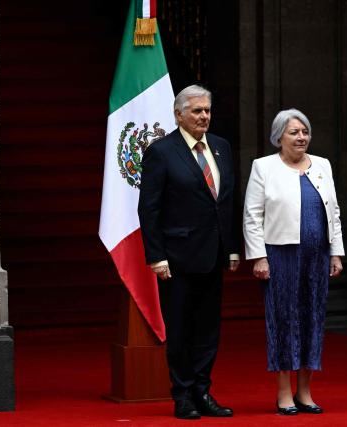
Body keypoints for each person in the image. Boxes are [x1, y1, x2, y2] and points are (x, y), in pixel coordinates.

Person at [138, 85, 239, 420]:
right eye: (197, 111)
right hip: (177, 258)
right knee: (180, 329)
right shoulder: (162, 151)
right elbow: (149, 208)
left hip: (214, 254)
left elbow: (226, 202)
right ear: (178, 114)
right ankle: (182, 395)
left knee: (208, 330)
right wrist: (156, 256)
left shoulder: (222, 147)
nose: (204, 117)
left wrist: (233, 248)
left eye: (207, 110)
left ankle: (203, 390)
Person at [243, 108, 344, 415]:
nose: (302, 138)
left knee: (312, 318)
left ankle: (305, 391)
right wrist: (259, 256)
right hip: (280, 255)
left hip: (317, 256)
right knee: (285, 320)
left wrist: (336, 251)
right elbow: (252, 216)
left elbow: (334, 212)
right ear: (279, 137)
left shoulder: (323, 165)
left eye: (305, 132)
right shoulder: (263, 167)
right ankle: (284, 392)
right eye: (294, 132)